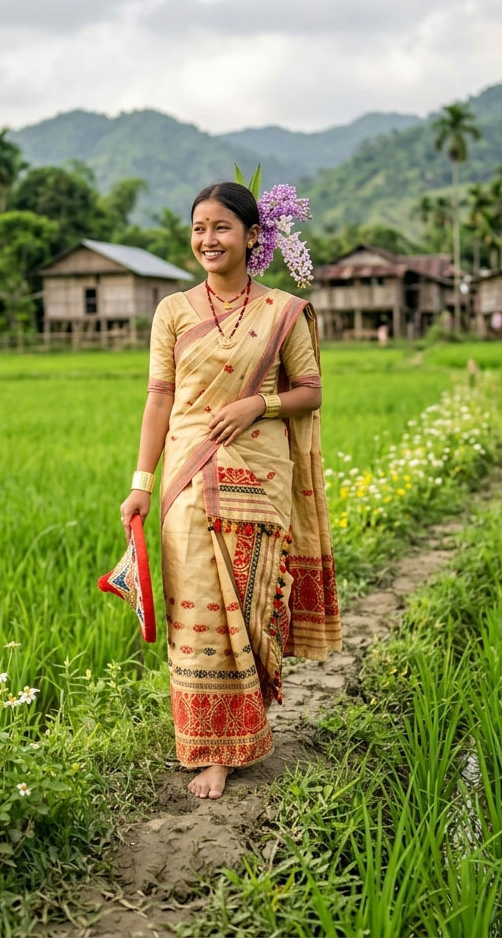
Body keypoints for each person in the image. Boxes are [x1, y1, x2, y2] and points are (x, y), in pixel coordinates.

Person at [120, 180, 341, 801]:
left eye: (220, 227)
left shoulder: (282, 311)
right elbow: (158, 398)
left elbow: (311, 391)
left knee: (247, 612)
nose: (207, 240)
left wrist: (258, 405)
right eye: (198, 228)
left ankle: (242, 732)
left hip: (258, 475)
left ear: (251, 235)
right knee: (199, 613)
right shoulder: (173, 310)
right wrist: (141, 482)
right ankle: (210, 749)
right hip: (186, 478)